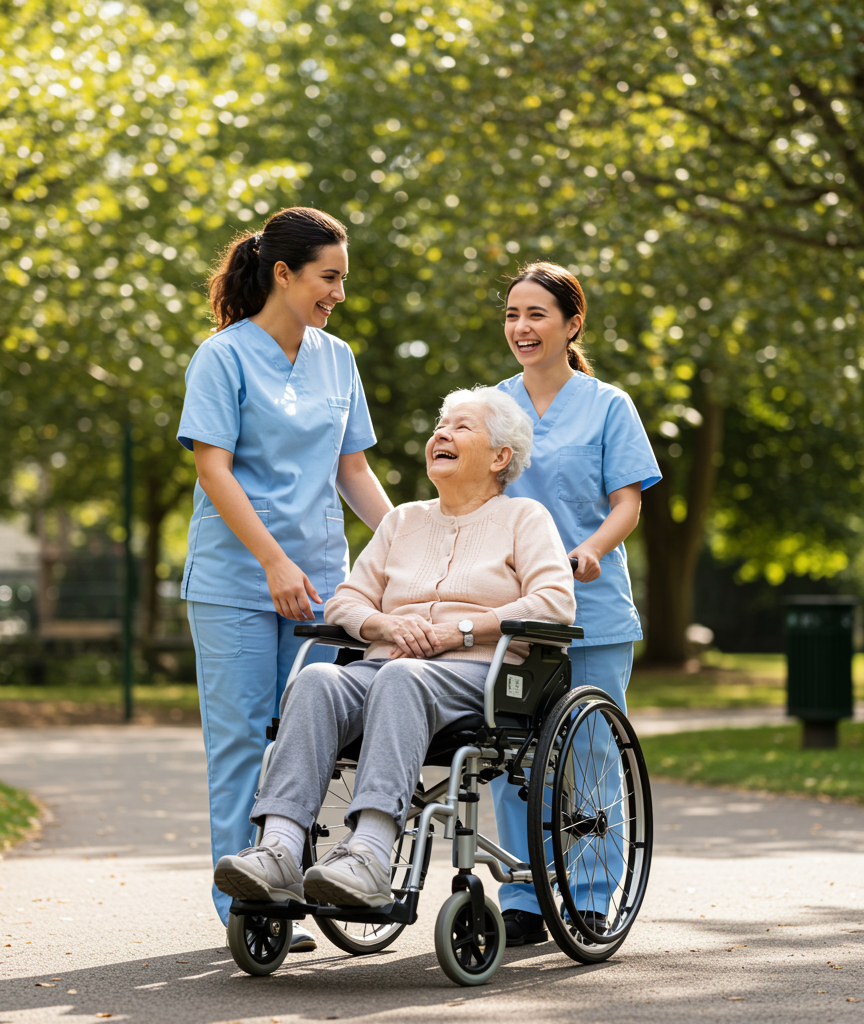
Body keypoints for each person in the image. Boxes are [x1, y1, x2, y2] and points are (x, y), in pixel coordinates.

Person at [212, 387, 576, 909]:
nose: (441, 434)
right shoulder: (402, 520)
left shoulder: (525, 519)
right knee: (316, 679)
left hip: (480, 678)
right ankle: (281, 849)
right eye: (440, 425)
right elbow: (345, 602)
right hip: (388, 665)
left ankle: (370, 854)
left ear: (501, 457)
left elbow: (555, 603)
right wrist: (383, 626)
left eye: (462, 427)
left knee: (403, 678)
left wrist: (465, 631)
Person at [177, 207, 393, 945]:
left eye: (342, 279)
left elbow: (352, 469)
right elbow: (214, 468)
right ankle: (247, 907)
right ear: (283, 273)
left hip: (322, 585)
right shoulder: (223, 358)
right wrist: (272, 559)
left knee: (307, 738)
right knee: (241, 739)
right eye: (327, 277)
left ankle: (285, 873)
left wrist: (403, 546)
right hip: (235, 580)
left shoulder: (339, 359)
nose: (337, 292)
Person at [491, 261, 661, 945]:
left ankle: (590, 894)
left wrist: (590, 548)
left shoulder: (608, 405)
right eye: (511, 314)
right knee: (509, 754)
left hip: (591, 605)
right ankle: (524, 895)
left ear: (572, 324)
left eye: (535, 314)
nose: (521, 327)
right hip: (516, 611)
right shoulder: (491, 407)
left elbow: (628, 503)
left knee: (589, 756)